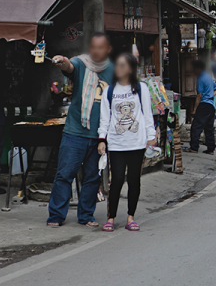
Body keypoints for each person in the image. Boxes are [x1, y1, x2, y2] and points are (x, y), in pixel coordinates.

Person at [47, 33, 114, 228]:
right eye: (93, 47)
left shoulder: (114, 70)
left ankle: (86, 215)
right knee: (64, 174)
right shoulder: (82, 63)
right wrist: (61, 61)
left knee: (93, 177)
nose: (95, 51)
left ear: (108, 50)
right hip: (75, 131)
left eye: (100, 47)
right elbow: (69, 66)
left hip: (100, 135)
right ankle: (56, 215)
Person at [97, 53, 155, 232]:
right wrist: (102, 138)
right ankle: (111, 217)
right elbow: (105, 118)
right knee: (117, 180)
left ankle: (131, 217)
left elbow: (147, 113)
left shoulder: (141, 88)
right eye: (117, 65)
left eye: (123, 65)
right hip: (116, 143)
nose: (119, 68)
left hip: (137, 143)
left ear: (130, 69)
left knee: (134, 180)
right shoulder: (109, 90)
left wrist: (151, 135)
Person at [189, 60, 216, 154]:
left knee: (196, 127)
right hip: (211, 105)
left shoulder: (201, 78)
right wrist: (211, 95)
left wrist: (194, 109)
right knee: (209, 128)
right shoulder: (208, 77)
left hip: (204, 105)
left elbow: (199, 95)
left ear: (198, 68)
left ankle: (194, 147)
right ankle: (211, 149)